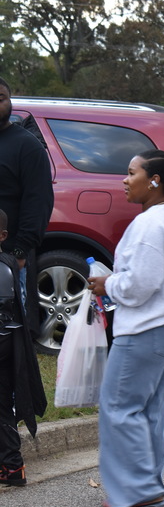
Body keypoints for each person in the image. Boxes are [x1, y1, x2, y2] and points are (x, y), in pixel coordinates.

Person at [88, 150, 164, 507]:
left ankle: (139, 489)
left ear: (154, 181)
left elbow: (141, 285)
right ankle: (148, 488)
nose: (124, 180)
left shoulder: (150, 223)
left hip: (150, 329)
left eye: (130, 173)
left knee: (119, 408)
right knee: (154, 412)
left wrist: (107, 284)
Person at [0, 76, 54, 345]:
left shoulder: (27, 146)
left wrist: (20, 252)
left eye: (0, 98)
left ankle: (11, 388)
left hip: (7, 257)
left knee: (9, 338)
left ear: (10, 103)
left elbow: (39, 202)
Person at [0, 208, 46, 487]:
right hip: (10, 341)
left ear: (3, 235)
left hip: (4, 337)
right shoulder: (9, 262)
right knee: (2, 403)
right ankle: (13, 466)